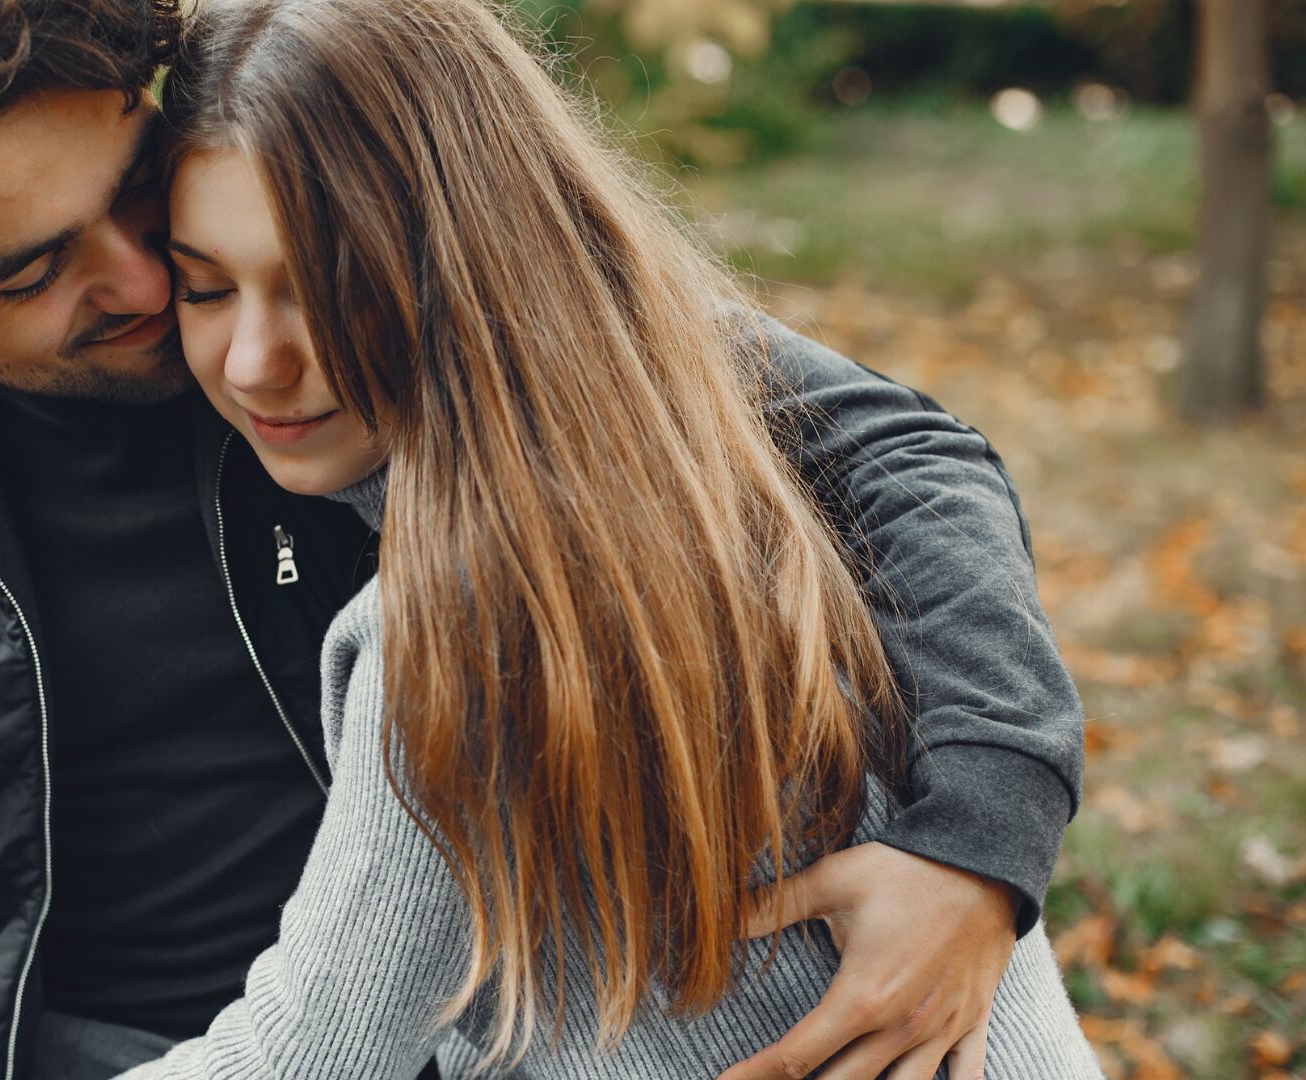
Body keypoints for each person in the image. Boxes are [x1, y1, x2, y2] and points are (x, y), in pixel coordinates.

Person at [0, 0, 1086, 1077]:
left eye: (137, 188)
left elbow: (894, 448)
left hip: (410, 1026)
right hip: (44, 1031)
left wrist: (976, 844)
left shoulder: (379, 311)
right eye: (35, 271)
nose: (149, 279)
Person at [114, 1, 1106, 1076]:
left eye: (329, 288)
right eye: (205, 287)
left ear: (467, 261)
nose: (255, 361)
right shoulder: (677, 444)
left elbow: (302, 1057)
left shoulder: (462, 619)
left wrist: (983, 833)